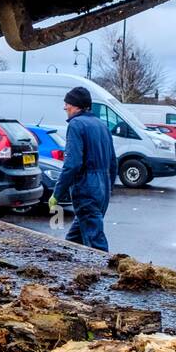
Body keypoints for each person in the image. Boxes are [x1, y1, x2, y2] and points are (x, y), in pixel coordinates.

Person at [50, 86, 117, 251]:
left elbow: (72, 164)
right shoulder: (102, 126)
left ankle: (106, 273)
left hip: (86, 189)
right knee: (73, 241)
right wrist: (109, 188)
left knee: (96, 244)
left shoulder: (76, 125)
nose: (65, 107)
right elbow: (113, 162)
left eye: (67, 104)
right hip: (102, 189)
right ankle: (65, 265)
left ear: (75, 105)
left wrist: (57, 194)